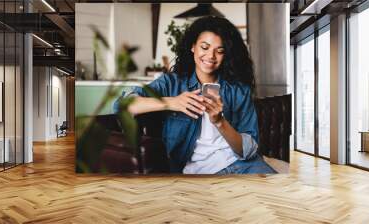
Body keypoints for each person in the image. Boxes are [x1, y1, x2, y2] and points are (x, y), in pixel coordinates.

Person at [114, 16, 276, 174]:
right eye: (204, 48)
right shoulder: (172, 83)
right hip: (196, 172)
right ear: (193, 46)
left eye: (219, 51)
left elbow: (248, 150)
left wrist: (220, 122)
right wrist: (171, 102)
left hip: (242, 164)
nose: (211, 56)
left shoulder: (238, 89)